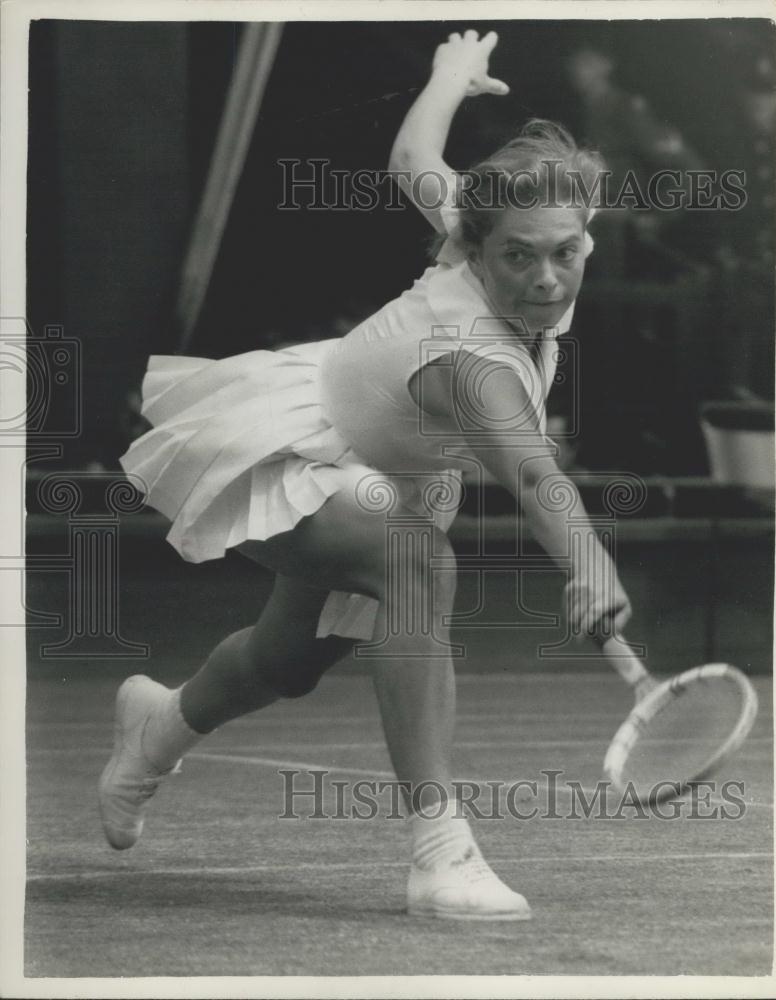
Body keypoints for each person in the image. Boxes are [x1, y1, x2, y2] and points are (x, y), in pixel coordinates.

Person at [100, 30, 631, 921]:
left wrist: (448, 79)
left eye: (565, 253)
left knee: (286, 661)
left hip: (392, 468)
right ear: (474, 241)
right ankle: (438, 850)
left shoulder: (532, 215)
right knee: (417, 562)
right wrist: (590, 563)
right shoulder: (473, 359)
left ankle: (158, 728)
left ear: (585, 233)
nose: (545, 278)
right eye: (518, 257)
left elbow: (411, 155)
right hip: (294, 447)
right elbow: (536, 479)